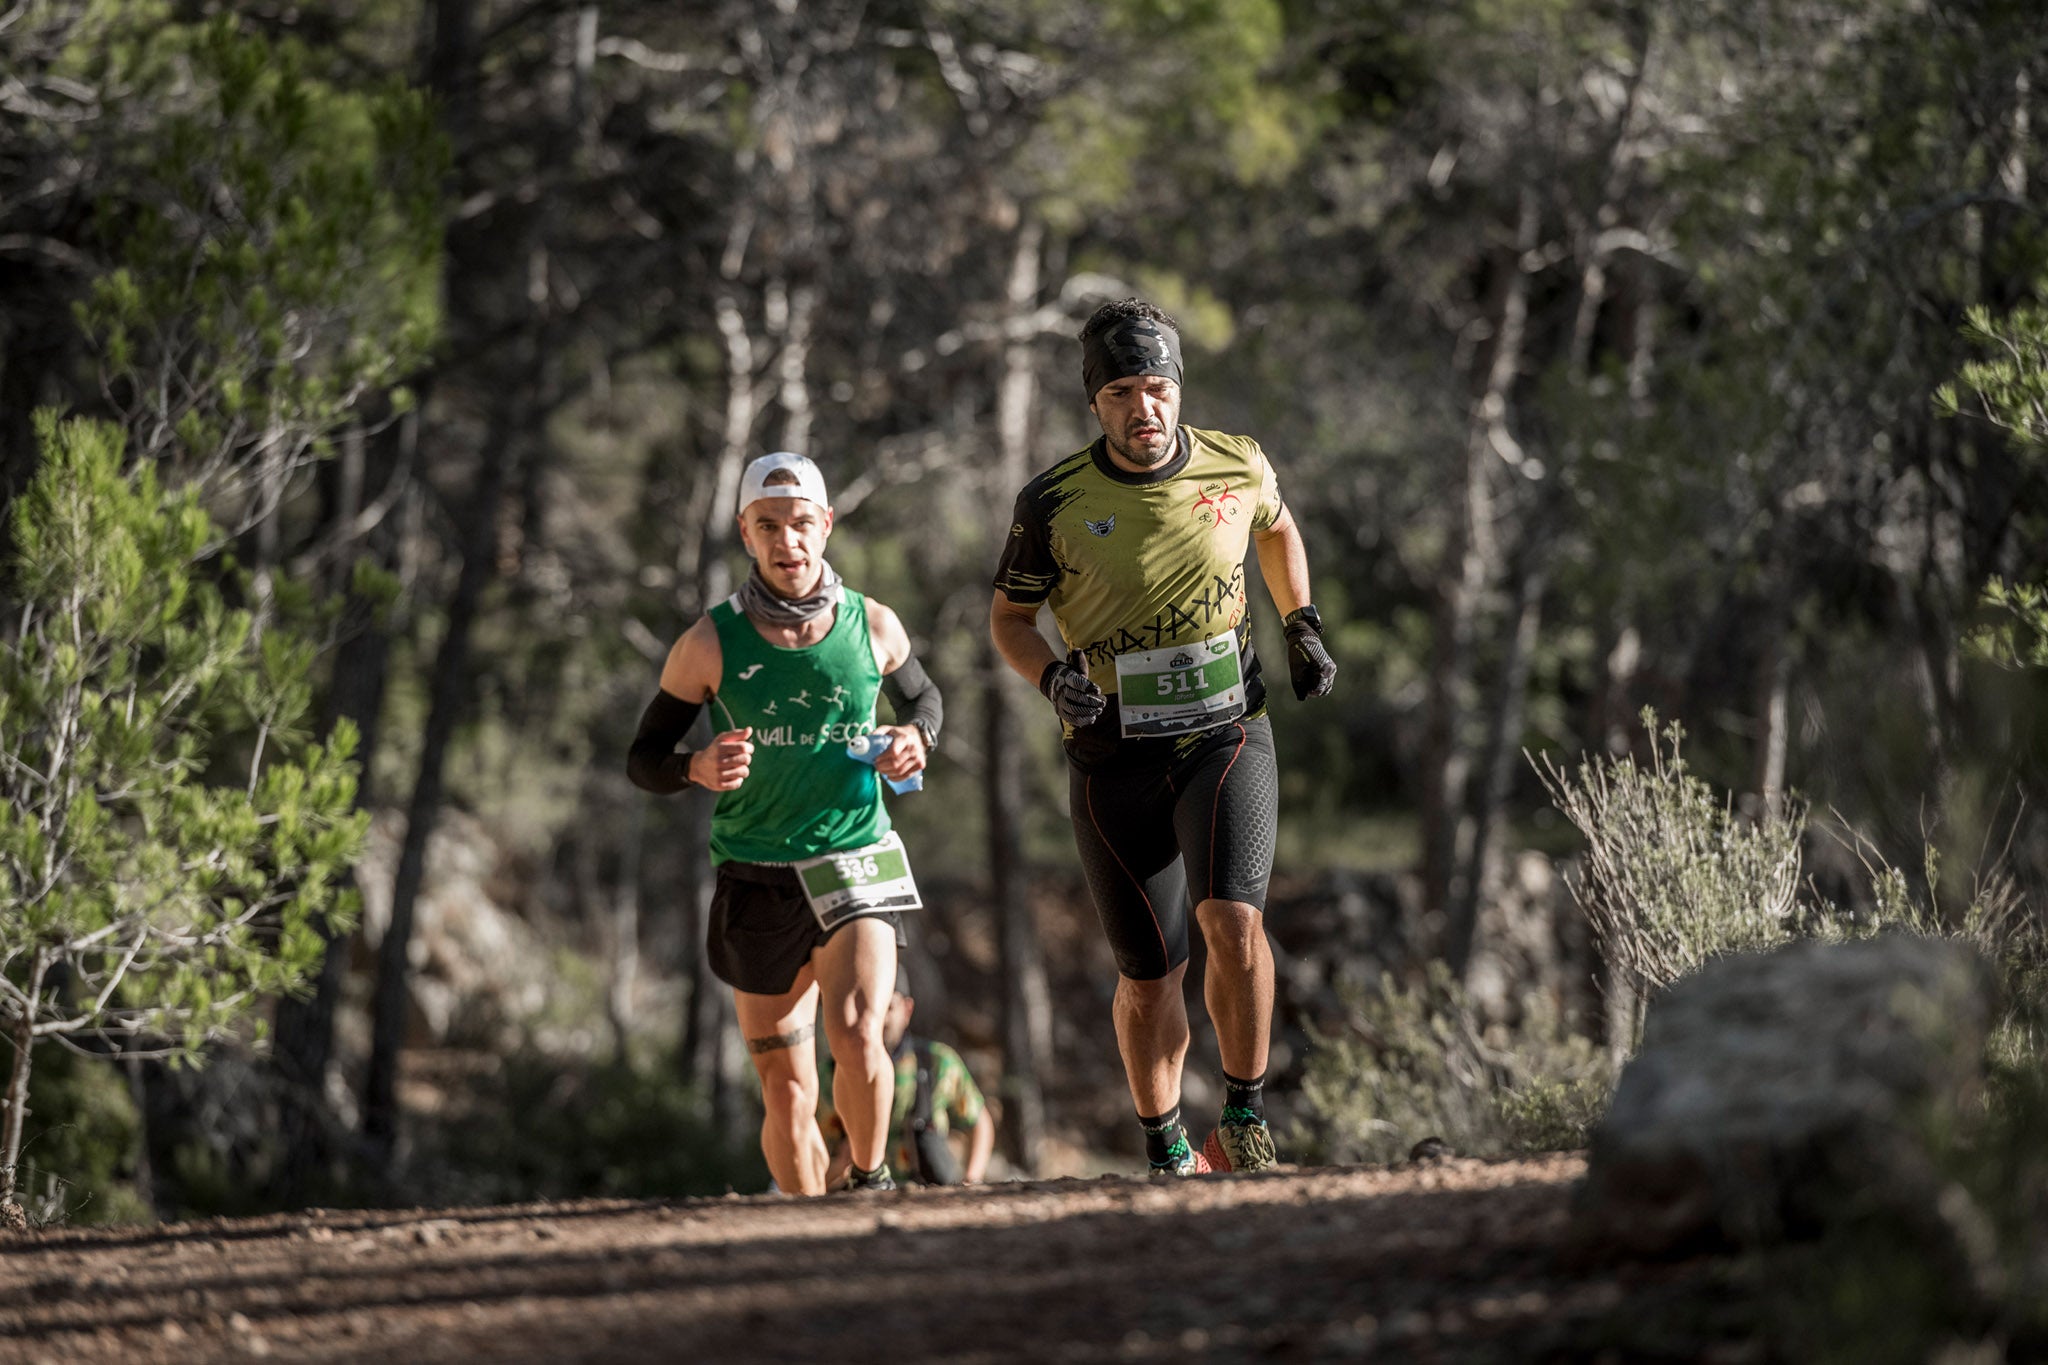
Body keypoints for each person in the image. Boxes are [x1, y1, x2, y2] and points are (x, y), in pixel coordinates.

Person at [988, 298, 1336, 1178]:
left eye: (1155, 388)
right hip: (1113, 758)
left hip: (1226, 735)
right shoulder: (1054, 501)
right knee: (1150, 976)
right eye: (1120, 393)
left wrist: (1301, 623)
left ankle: (1246, 1118)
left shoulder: (1237, 462)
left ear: (1177, 390)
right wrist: (1049, 676)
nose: (1142, 408)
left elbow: (1279, 527)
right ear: (1094, 405)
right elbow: (1009, 618)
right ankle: (1167, 1144)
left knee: (1235, 922)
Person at [629, 451, 945, 1195]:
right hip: (756, 872)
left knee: (862, 1027)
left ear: (826, 526)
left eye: (802, 522)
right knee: (787, 1090)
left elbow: (925, 699)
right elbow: (643, 757)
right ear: (745, 532)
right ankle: (805, 1226)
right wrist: (693, 767)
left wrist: (916, 738)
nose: (788, 541)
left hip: (855, 856)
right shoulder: (708, 643)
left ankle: (870, 1184)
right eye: (768, 525)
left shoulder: (873, 624)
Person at [818, 964, 996, 1188]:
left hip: (933, 1197)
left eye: (887, 1008)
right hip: (858, 1199)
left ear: (907, 1010)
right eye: (868, 1008)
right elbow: (809, 1153)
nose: (877, 1020)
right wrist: (838, 1168)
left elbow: (980, 1121)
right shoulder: (830, 1075)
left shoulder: (937, 1063)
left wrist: (972, 1178)